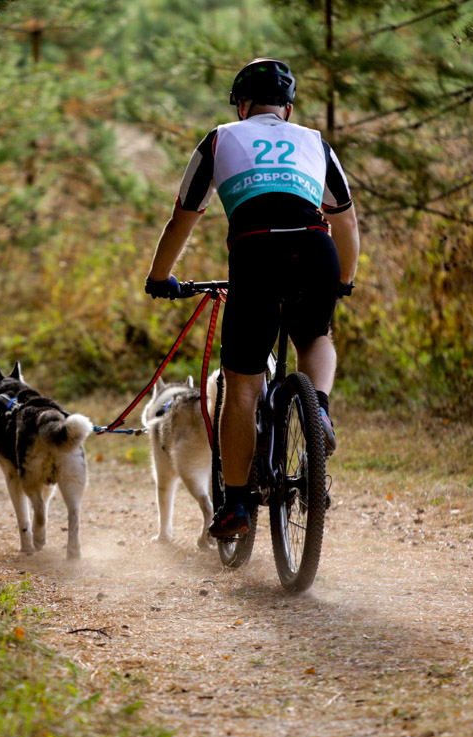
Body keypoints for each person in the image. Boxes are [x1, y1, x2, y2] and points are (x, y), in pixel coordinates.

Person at [143, 58, 360, 539]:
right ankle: (318, 407)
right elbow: (344, 219)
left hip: (255, 252)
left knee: (242, 386)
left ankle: (237, 505)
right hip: (315, 246)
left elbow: (182, 217)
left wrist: (161, 277)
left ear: (242, 104)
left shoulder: (220, 137)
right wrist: (343, 279)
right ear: (287, 106)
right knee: (316, 335)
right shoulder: (314, 142)